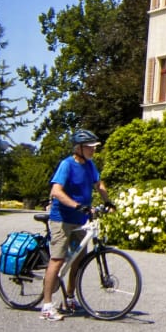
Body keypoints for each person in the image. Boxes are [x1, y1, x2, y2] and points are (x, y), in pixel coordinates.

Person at [40, 129, 112, 321]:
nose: (93, 150)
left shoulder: (90, 165)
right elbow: (56, 191)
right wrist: (77, 205)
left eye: (94, 147)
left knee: (78, 261)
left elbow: (99, 185)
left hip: (80, 220)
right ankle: (47, 306)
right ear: (79, 148)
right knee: (57, 260)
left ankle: (70, 298)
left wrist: (108, 202)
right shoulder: (67, 165)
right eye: (90, 147)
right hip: (62, 219)